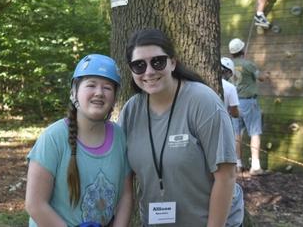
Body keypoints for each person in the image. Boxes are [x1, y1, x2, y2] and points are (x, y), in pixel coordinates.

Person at [118, 28, 244, 226]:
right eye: (139, 65)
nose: (149, 71)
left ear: (173, 62)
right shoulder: (131, 111)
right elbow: (123, 180)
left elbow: (226, 177)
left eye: (157, 61)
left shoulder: (202, 102)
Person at [25, 54, 132, 227]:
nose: (99, 92)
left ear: (114, 98)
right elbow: (35, 205)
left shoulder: (120, 138)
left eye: (107, 88)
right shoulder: (53, 138)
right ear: (74, 92)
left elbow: (125, 197)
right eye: (91, 85)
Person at [229, 38, 269, 176]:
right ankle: (255, 166)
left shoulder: (229, 65)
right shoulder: (248, 64)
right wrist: (267, 75)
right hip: (249, 102)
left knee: (236, 134)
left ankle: (238, 165)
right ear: (243, 51)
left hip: (234, 103)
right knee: (254, 132)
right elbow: (261, 78)